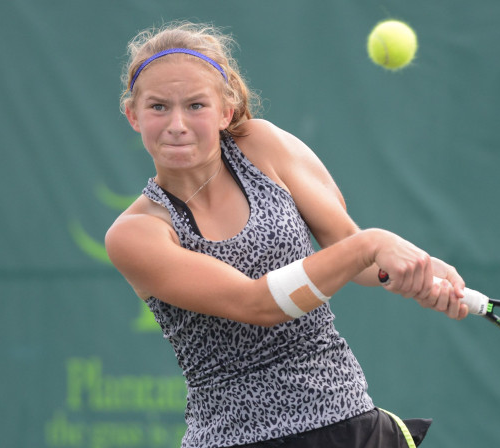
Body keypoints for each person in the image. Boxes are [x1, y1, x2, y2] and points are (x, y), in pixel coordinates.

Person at [105, 21, 470, 448]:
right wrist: (371, 244)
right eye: (158, 107)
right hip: (237, 439)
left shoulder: (263, 146)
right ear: (133, 115)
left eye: (197, 105)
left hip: (350, 421)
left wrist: (415, 271)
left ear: (226, 111)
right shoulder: (136, 234)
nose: (178, 124)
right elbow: (256, 302)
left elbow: (354, 256)